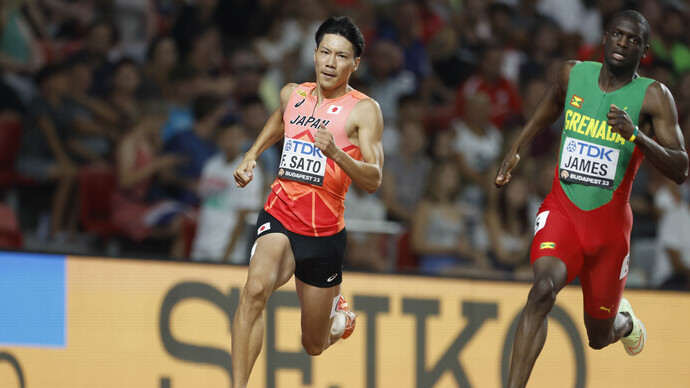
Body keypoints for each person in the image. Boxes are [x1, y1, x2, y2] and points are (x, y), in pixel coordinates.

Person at [494, 10, 688, 387]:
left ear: (644, 50)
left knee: (598, 336)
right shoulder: (573, 74)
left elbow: (681, 168)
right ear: (605, 38)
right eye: (617, 34)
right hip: (562, 211)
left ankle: (624, 322)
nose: (623, 42)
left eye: (633, 40)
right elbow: (551, 102)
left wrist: (636, 136)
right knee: (541, 292)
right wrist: (516, 148)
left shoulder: (653, 96)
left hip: (609, 229)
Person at [230, 16, 384, 388]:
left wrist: (338, 154)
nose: (331, 62)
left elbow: (374, 178)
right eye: (325, 53)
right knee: (253, 291)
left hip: (323, 235)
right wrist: (252, 153)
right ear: (314, 54)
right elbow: (281, 121)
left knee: (313, 344)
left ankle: (340, 319)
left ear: (355, 63)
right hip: (280, 216)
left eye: (341, 56)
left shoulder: (364, 111)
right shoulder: (292, 94)